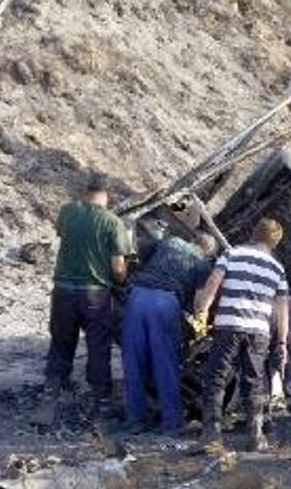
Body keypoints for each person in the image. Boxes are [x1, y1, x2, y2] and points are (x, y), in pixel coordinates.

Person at [193, 218, 290, 452]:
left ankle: (211, 435)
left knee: (216, 376)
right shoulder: (278, 269)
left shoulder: (232, 254)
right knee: (254, 380)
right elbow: (282, 309)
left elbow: (214, 282)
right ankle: (255, 436)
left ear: (253, 233)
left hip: (229, 325)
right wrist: (282, 342)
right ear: (274, 243)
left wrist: (202, 309)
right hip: (259, 332)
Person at [43, 174, 131, 416]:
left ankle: (51, 391)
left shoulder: (67, 212)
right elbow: (118, 267)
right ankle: (101, 400)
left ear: (86, 190)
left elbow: (63, 235)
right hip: (94, 294)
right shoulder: (112, 222)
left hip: (62, 291)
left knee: (61, 341)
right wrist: (122, 283)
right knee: (98, 345)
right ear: (108, 194)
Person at [120, 232, 218, 435]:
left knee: (133, 360)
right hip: (164, 303)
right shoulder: (202, 265)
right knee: (166, 362)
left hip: (137, 297)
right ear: (208, 253)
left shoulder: (171, 241)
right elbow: (200, 304)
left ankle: (135, 420)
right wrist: (201, 325)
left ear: (194, 240)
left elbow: (142, 252)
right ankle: (172, 423)